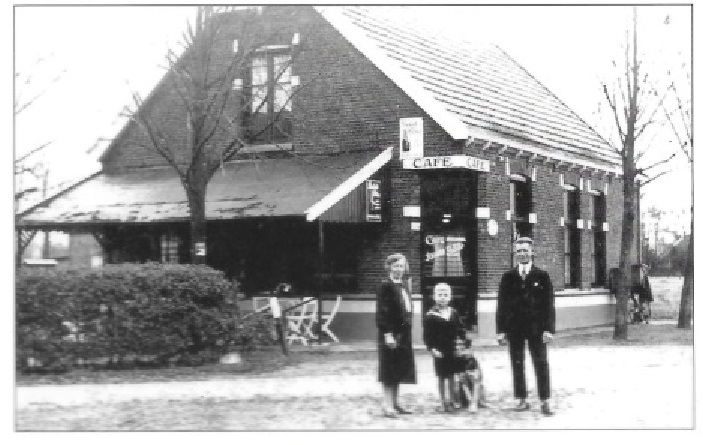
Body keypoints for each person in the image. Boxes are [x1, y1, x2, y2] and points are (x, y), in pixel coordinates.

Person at [496, 237, 556, 416]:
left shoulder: (542, 276)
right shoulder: (508, 277)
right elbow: (501, 306)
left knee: (541, 363)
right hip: (515, 328)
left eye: (525, 250)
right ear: (515, 254)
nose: (522, 254)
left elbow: (548, 305)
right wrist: (501, 331)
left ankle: (545, 400)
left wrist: (548, 329)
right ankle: (521, 398)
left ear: (532, 252)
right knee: (517, 363)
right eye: (519, 251)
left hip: (537, 329)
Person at [376, 253, 416, 418]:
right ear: (389, 267)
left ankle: (396, 403)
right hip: (391, 334)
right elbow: (382, 312)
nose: (399, 269)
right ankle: (387, 405)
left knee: (399, 368)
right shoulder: (386, 286)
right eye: (396, 266)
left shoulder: (404, 285)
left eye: (402, 266)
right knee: (389, 369)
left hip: (403, 333)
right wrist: (387, 333)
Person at [424, 282, 465, 412]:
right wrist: (432, 349)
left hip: (452, 349)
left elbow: (460, 330)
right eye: (440, 295)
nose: (442, 297)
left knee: (452, 375)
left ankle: (452, 400)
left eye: (445, 295)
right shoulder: (430, 315)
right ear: (434, 297)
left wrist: (461, 343)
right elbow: (428, 335)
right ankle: (442, 402)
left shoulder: (454, 313)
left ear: (450, 297)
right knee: (442, 376)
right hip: (439, 350)